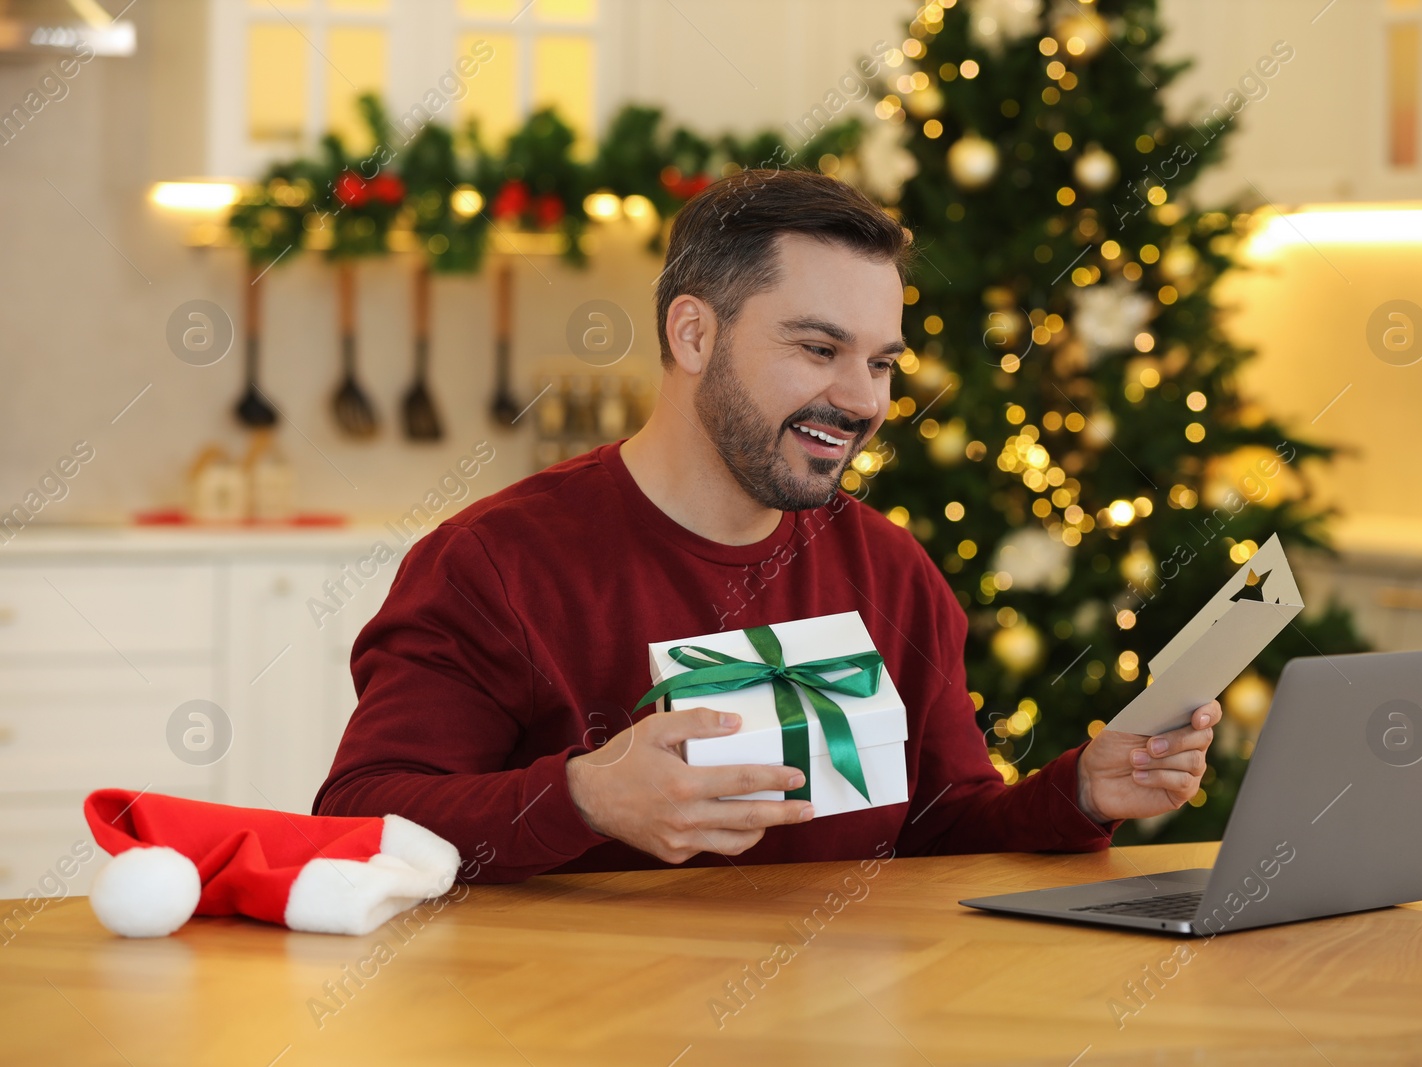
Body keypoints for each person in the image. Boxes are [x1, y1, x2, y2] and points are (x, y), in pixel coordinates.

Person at [313, 168, 1217, 882]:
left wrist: (1081, 792)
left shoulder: (892, 572)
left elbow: (942, 830)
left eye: (882, 362)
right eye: (818, 349)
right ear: (694, 335)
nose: (863, 400)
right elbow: (359, 817)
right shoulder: (495, 565)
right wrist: (582, 797)